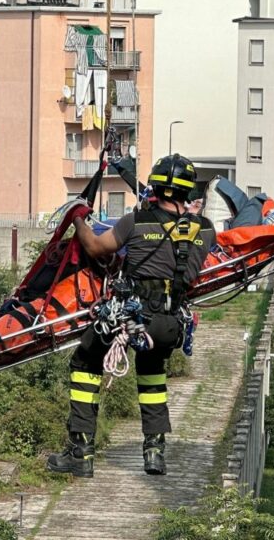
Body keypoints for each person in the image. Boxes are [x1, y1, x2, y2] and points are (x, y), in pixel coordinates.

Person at [46, 154, 216, 478]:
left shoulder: (135, 222)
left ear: (156, 187)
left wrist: (78, 218)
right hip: (170, 324)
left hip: (132, 318)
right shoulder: (205, 230)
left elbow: (95, 247)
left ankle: (80, 451)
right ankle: (154, 453)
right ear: (188, 190)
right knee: (152, 372)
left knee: (85, 362)